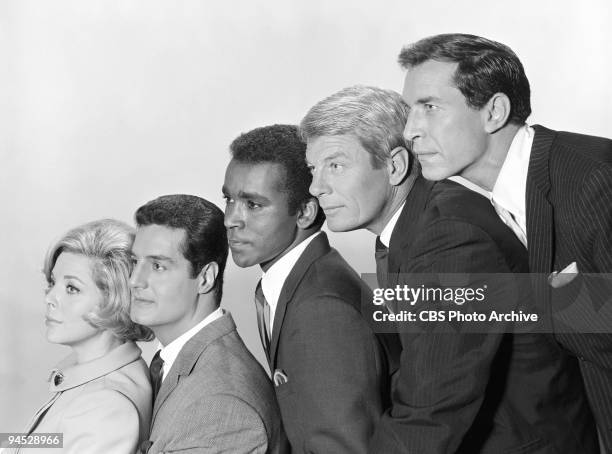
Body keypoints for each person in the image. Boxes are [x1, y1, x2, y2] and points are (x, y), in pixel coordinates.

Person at [301, 85, 599, 453]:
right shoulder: (412, 228)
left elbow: (432, 406)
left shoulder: (448, 236)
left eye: (335, 165)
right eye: (314, 169)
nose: (316, 187)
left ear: (395, 165)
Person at [399, 33, 612, 451]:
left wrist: (570, 303)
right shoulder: (473, 206)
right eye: (410, 111)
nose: (409, 131)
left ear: (494, 111)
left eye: (429, 108)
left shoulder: (596, 181)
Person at [223, 124, 400, 453]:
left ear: (305, 212)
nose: (231, 219)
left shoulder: (322, 311)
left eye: (253, 205)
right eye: (229, 199)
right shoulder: (306, 282)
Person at [129, 194, 285, 454]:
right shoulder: (179, 364)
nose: (135, 280)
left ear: (205, 278)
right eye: (135, 262)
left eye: (157, 266)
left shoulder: (221, 405)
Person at [10, 219, 153, 454]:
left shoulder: (107, 407)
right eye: (53, 282)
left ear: (115, 299)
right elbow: (51, 440)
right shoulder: (89, 378)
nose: (49, 298)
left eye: (72, 288)